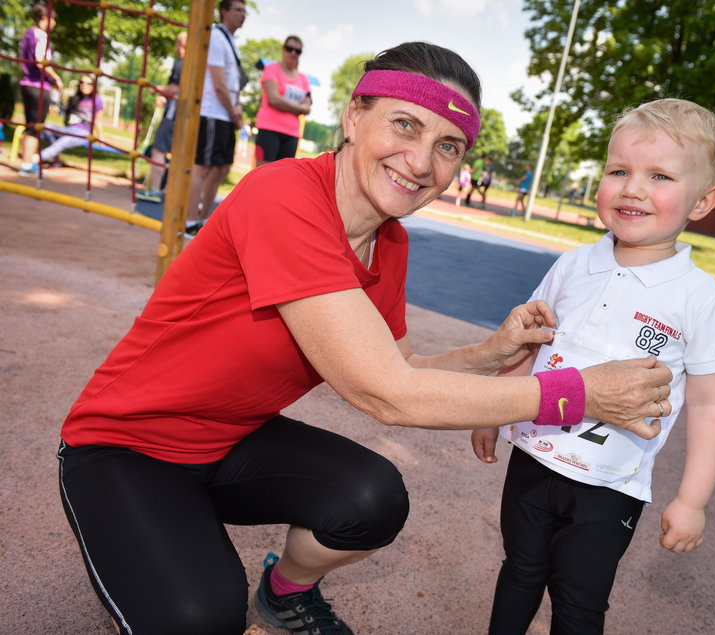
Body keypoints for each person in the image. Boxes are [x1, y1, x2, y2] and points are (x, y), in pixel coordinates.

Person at [57, 42, 674, 635]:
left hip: (229, 441)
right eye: (405, 126)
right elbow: (389, 395)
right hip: (126, 447)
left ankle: (285, 593)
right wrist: (579, 394)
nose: (422, 162)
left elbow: (401, 364)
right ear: (354, 116)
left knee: (372, 498)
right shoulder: (282, 195)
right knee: (201, 619)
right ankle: (162, 535)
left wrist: (491, 353)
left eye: (448, 146)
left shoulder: (387, 238)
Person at [471, 98, 715, 634]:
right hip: (532, 457)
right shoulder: (572, 265)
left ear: (703, 201)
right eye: (619, 171)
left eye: (659, 175)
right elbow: (529, 339)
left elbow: (712, 404)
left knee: (579, 600)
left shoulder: (699, 298)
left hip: (610, 483)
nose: (633, 188)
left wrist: (692, 500)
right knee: (520, 569)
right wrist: (493, 410)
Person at [184, 0, 247, 237]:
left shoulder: (231, 42)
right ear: (224, 12)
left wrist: (236, 108)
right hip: (213, 112)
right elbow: (219, 82)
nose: (243, 15)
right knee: (202, 166)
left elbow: (232, 83)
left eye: (245, 11)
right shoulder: (217, 38)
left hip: (225, 114)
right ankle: (190, 220)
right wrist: (233, 111)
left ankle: (202, 216)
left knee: (222, 167)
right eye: (238, 10)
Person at [137, 31, 187, 204]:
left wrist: (157, 89)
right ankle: (171, 190)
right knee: (180, 154)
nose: (179, 48)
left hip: (175, 116)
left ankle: (156, 189)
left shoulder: (181, 63)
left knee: (158, 150)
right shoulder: (198, 65)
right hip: (189, 116)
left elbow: (176, 88)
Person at [18, 3, 63, 176]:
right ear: (44, 19)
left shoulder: (28, 33)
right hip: (38, 86)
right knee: (35, 127)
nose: (54, 24)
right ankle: (27, 164)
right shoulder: (41, 35)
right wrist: (56, 77)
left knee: (31, 125)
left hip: (27, 84)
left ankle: (27, 161)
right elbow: (39, 60)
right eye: (52, 20)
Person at [254, 35, 311, 166]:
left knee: (282, 177)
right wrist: (299, 108)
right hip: (269, 130)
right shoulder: (271, 69)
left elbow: (307, 106)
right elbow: (273, 99)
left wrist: (285, 104)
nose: (293, 53)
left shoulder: (303, 79)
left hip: (291, 135)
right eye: (289, 48)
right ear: (283, 49)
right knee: (262, 175)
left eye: (297, 51)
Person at [35, 75, 103, 165]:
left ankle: (33, 159)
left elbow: (98, 120)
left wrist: (100, 137)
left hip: (84, 132)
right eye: (82, 82)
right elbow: (66, 116)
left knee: (63, 141)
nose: (84, 85)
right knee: (46, 128)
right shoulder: (75, 98)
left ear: (93, 86)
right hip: (70, 129)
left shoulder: (97, 100)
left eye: (88, 83)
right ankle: (56, 159)